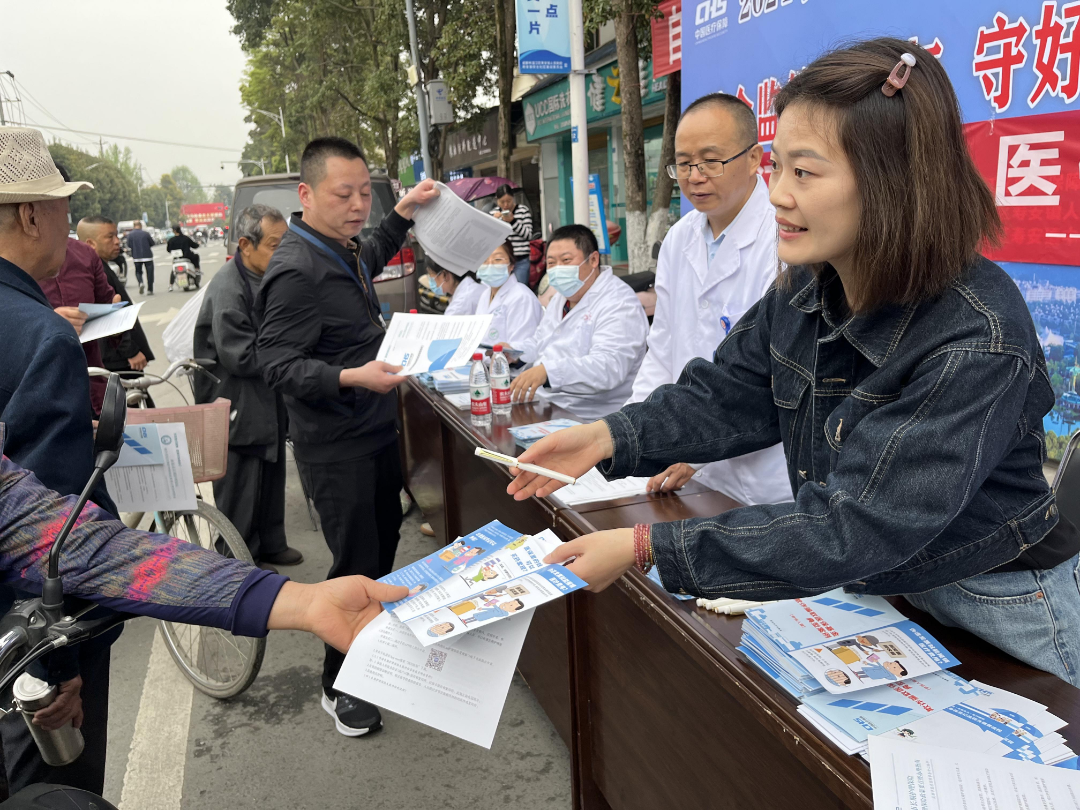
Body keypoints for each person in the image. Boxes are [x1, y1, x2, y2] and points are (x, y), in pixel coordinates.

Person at [508, 38, 1080, 686]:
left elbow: (855, 523)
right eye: (777, 167)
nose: (777, 194)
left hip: (1001, 603)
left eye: (804, 173)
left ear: (893, 180)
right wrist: (608, 437)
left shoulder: (977, 337)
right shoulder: (808, 286)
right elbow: (728, 392)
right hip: (888, 585)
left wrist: (646, 545)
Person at [256, 136, 439, 737]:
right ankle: (339, 686)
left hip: (374, 428)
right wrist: (350, 376)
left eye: (365, 193)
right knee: (354, 562)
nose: (358, 205)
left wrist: (402, 211)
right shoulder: (295, 270)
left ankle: (368, 650)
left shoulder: (342, 246)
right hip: (337, 446)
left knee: (380, 552)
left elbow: (374, 252)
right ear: (306, 195)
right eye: (344, 194)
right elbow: (276, 364)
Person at [628, 93, 790, 505]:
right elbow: (662, 350)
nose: (694, 177)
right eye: (683, 164)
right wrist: (629, 430)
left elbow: (770, 378)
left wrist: (691, 446)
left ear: (753, 159)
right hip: (685, 466)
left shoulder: (783, 238)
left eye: (710, 162)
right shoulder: (679, 237)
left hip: (764, 477)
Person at [193, 204, 304, 571]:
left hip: (266, 397)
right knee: (241, 483)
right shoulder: (230, 287)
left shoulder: (267, 275)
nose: (282, 252)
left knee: (271, 472)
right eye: (274, 245)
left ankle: (271, 544)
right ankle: (238, 562)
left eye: (285, 243)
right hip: (236, 399)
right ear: (245, 245)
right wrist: (288, 352)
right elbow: (239, 355)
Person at [507, 225, 648, 421]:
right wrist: (515, 354)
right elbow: (540, 341)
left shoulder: (619, 303)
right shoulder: (562, 297)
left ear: (593, 260)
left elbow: (608, 368)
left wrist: (549, 372)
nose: (557, 269)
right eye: (551, 263)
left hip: (591, 416)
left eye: (566, 260)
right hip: (549, 403)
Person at [37, 235, 122, 418]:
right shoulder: (9, 258)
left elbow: (107, 301)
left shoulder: (85, 253)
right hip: (40, 393)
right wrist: (48, 321)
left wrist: (116, 318)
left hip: (93, 385)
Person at [76, 216, 152, 373]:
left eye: (116, 235)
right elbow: (107, 315)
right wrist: (130, 351)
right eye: (110, 237)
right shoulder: (93, 272)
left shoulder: (98, 266)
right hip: (117, 359)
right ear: (90, 243)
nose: (117, 241)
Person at [473, 239, 542, 348]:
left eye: (497, 259)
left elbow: (522, 348)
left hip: (505, 359)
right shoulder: (485, 295)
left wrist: (508, 350)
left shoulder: (522, 297)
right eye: (484, 260)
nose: (490, 265)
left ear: (511, 265)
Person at [491, 184, 533, 285]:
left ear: (513, 198)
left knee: (519, 287)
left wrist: (513, 221)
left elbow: (528, 235)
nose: (506, 205)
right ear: (497, 200)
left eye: (509, 201)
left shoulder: (523, 210)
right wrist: (494, 222)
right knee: (502, 288)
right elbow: (490, 238)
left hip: (521, 259)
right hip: (501, 260)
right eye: (502, 202)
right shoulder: (494, 213)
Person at [166, 225, 200, 292]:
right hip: (187, 257)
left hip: (177, 259)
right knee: (196, 256)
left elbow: (168, 249)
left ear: (174, 231)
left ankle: (170, 285)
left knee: (174, 270)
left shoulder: (171, 240)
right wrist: (198, 244)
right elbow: (194, 245)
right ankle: (196, 270)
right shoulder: (186, 238)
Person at [126, 220, 154, 295]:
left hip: (136, 256)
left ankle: (140, 282)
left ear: (134, 226)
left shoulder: (130, 235)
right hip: (147, 256)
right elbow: (152, 243)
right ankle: (150, 289)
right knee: (150, 273)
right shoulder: (146, 233)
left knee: (138, 272)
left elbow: (129, 245)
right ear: (140, 225)